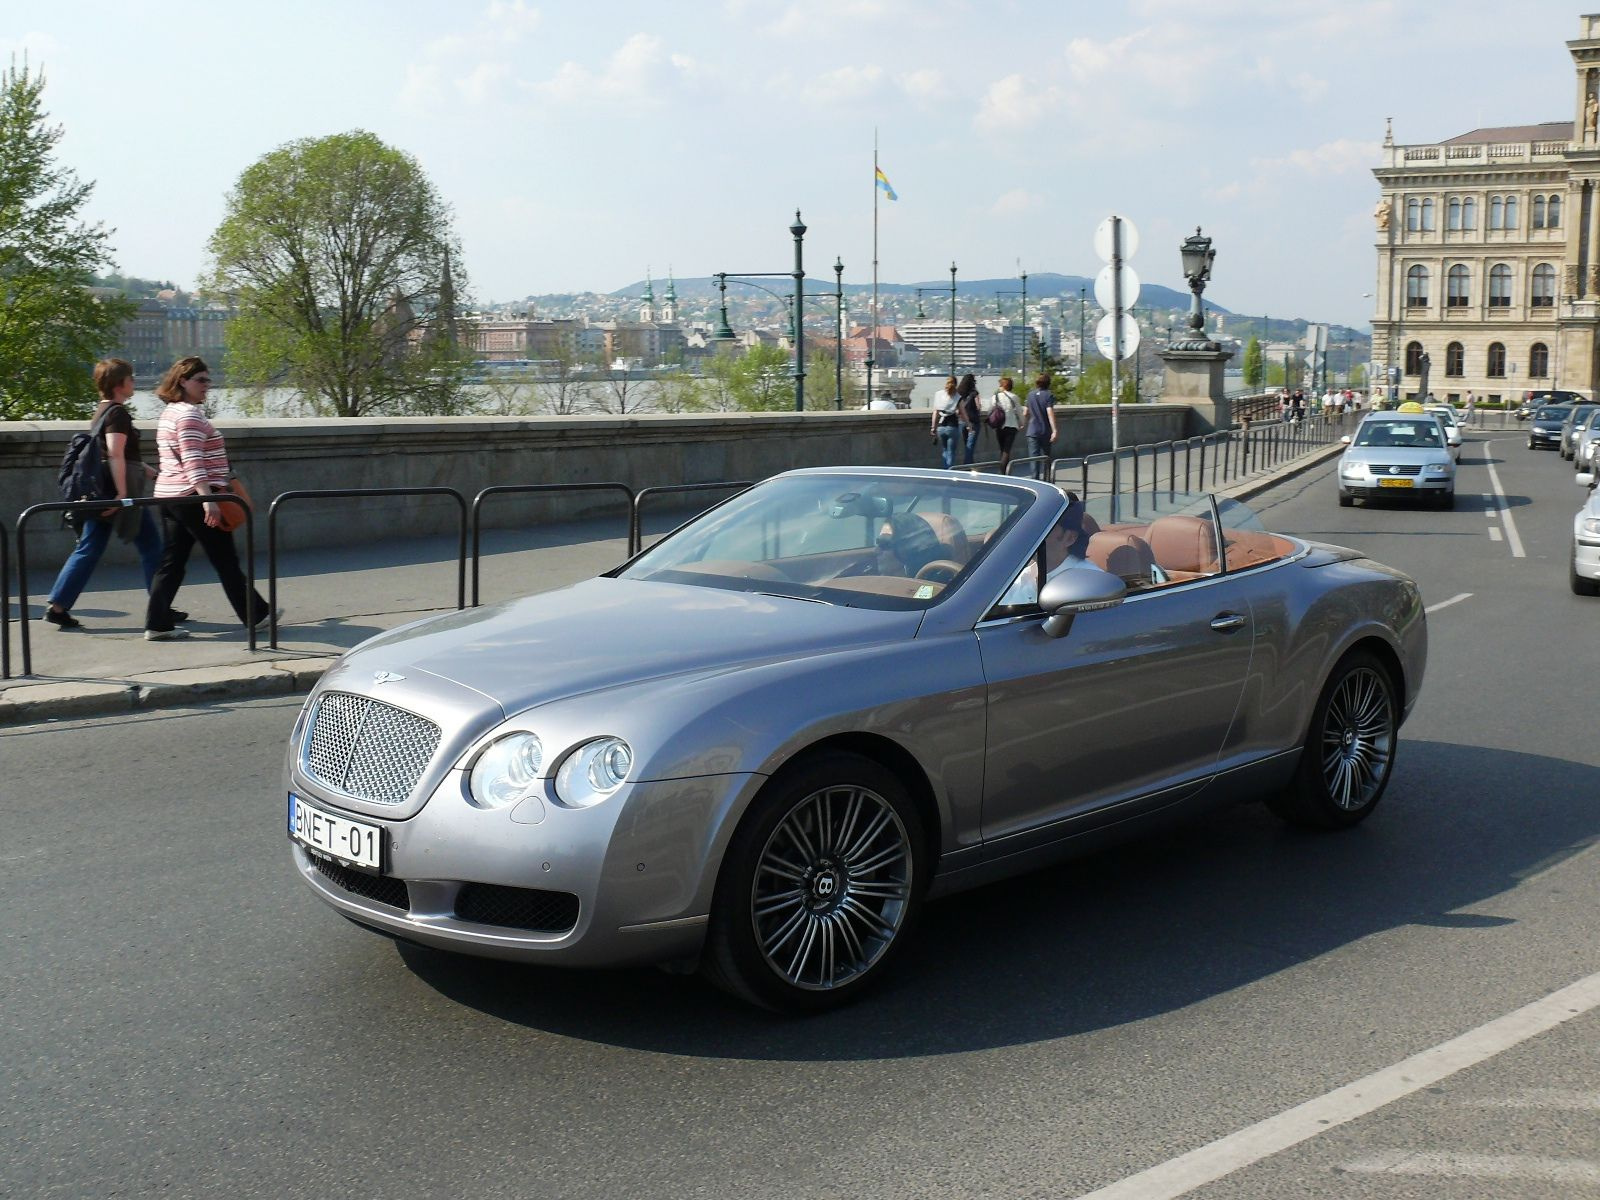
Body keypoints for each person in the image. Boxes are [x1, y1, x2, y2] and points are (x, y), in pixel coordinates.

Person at [42, 358, 172, 630]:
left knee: (90, 548)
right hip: (117, 492)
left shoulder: (102, 410)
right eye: (131, 379)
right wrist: (123, 494)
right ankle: (161, 608)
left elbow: (111, 451)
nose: (134, 382)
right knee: (151, 547)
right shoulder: (117, 414)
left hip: (103, 490)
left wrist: (145, 468)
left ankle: (58, 605)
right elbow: (114, 453)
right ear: (120, 384)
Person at [144, 356, 268, 641]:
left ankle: (157, 623)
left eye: (208, 380)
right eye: (201, 380)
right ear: (182, 382)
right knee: (225, 559)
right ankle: (258, 616)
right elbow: (193, 460)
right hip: (192, 497)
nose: (207, 386)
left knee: (173, 561)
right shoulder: (188, 415)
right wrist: (207, 500)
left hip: (169, 496)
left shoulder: (170, 413)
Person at [1024, 372, 1058, 478]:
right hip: (1045, 430)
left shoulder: (1030, 395)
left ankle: (1035, 481)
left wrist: (1022, 424)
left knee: (1034, 459)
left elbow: (1025, 412)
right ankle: (1046, 480)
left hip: (1032, 430)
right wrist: (1055, 430)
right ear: (1048, 383)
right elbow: (1049, 413)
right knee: (1046, 458)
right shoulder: (1048, 395)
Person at [988, 376, 1022, 472]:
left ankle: (1003, 469)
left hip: (999, 426)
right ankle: (1003, 470)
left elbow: (990, 410)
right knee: (1007, 450)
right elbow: (1019, 412)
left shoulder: (995, 397)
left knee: (1002, 449)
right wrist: (1022, 423)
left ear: (1002, 386)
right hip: (1011, 426)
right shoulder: (1014, 397)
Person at [930, 376, 961, 469]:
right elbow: (962, 412)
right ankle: (949, 471)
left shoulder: (939, 394)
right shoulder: (957, 396)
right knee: (951, 451)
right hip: (952, 426)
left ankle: (945, 469)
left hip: (941, 427)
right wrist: (969, 425)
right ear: (956, 384)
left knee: (944, 450)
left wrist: (933, 427)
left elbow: (935, 412)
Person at [955, 373, 982, 464]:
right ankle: (967, 466)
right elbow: (978, 406)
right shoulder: (974, 393)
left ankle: (970, 465)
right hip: (973, 422)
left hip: (962, 421)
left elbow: (956, 408)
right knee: (970, 446)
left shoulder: (959, 393)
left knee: (967, 444)